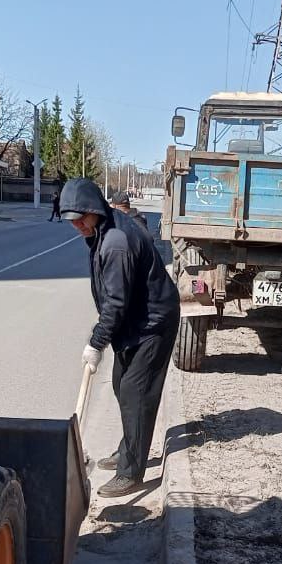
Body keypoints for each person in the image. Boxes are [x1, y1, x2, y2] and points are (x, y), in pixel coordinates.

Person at [60, 177, 180, 498]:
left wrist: (96, 342)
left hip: (152, 323)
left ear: (94, 210)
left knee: (135, 392)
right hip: (134, 322)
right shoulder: (102, 230)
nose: (78, 226)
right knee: (121, 384)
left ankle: (131, 472)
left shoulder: (115, 242)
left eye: (81, 219)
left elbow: (115, 302)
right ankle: (129, 449)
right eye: (72, 221)